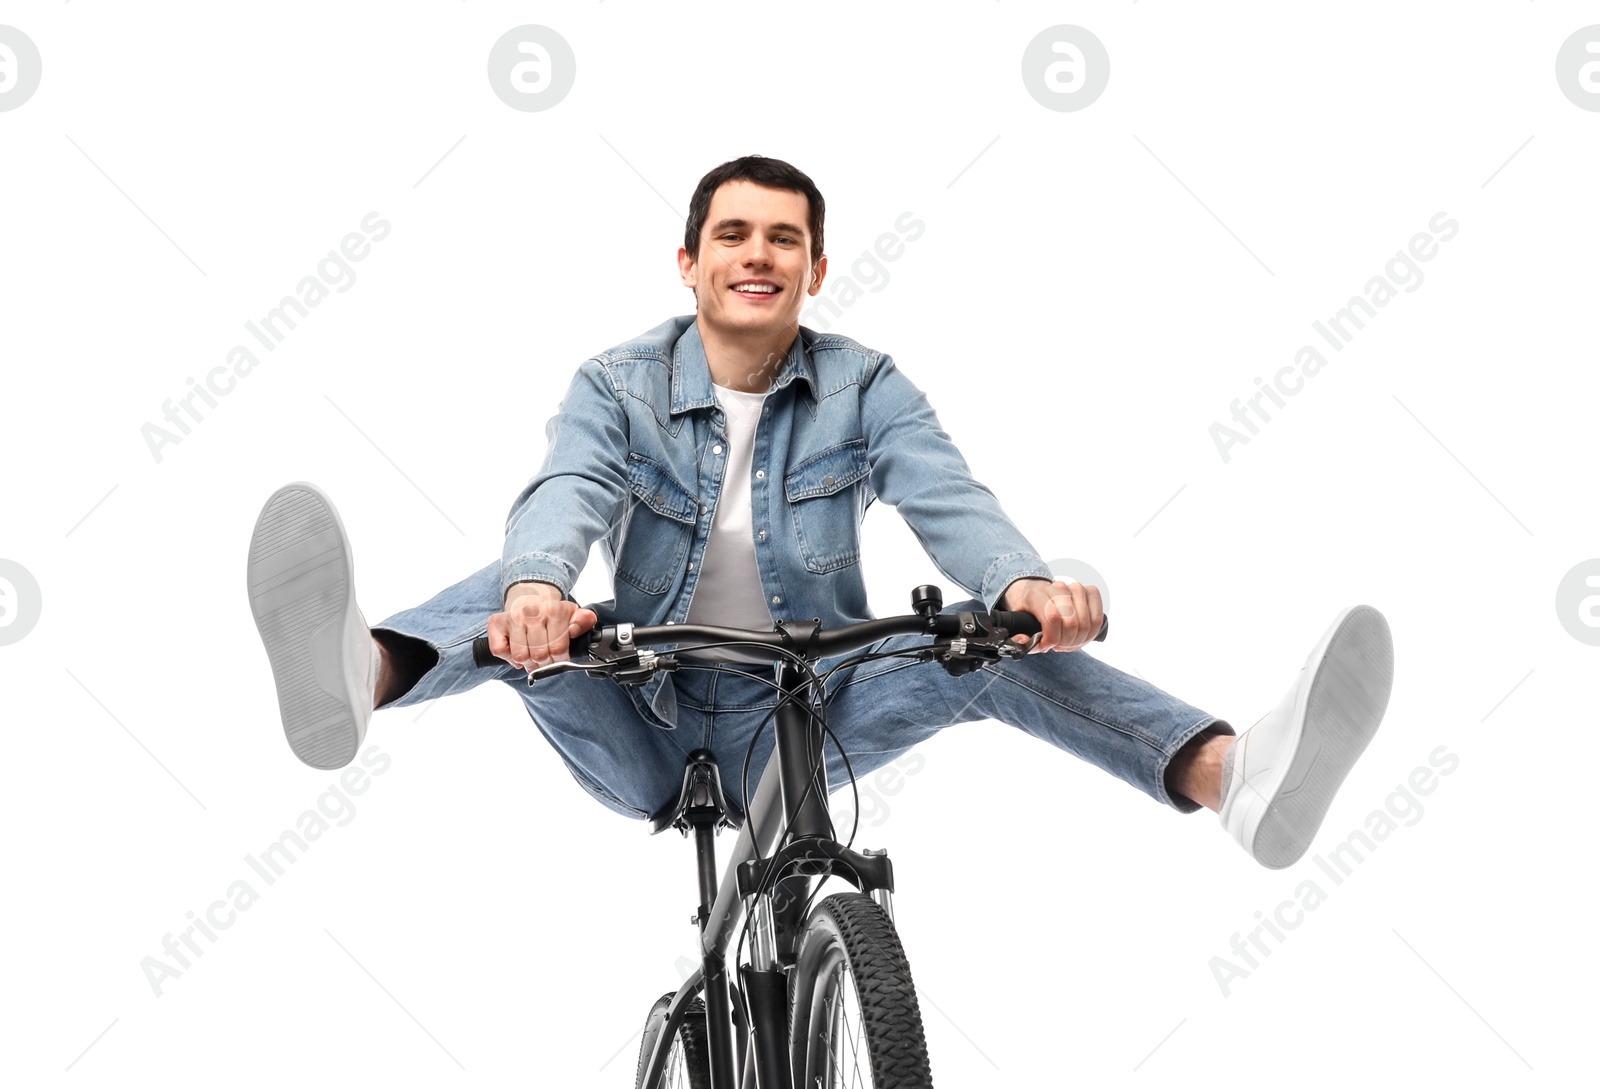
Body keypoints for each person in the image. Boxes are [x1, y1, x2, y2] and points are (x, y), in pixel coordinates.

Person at [246, 155, 1392, 866]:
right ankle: (367, 672)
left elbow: (949, 496)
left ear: (816, 267)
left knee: (985, 648)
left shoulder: (865, 386)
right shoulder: (619, 382)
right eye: (734, 236)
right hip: (635, 710)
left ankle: (1229, 780)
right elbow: (568, 489)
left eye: (783, 238)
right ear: (688, 263)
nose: (759, 254)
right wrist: (540, 591)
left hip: (797, 715)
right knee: (523, 599)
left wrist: (1022, 586)